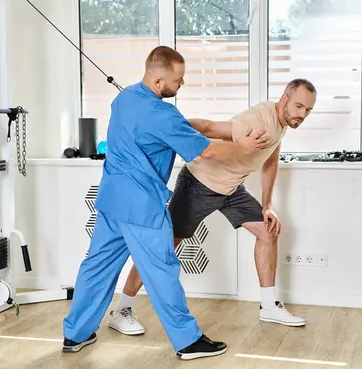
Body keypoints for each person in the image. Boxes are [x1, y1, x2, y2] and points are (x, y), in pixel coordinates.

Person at [61, 46, 270, 361]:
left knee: (97, 266)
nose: (181, 85)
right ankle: (188, 341)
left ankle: (75, 333)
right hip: (142, 206)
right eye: (178, 80)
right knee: (162, 270)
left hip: (111, 200)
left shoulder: (123, 99)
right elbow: (207, 151)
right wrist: (242, 146)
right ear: (159, 82)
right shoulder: (162, 114)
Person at [108, 79, 317, 336]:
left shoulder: (281, 125)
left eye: (308, 110)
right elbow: (207, 127)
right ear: (284, 99)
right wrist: (169, 129)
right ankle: (122, 309)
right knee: (162, 247)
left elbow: (270, 159)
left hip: (231, 188)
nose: (302, 114)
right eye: (299, 106)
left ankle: (268, 305)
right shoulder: (258, 121)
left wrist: (268, 204)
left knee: (267, 230)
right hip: (199, 185)